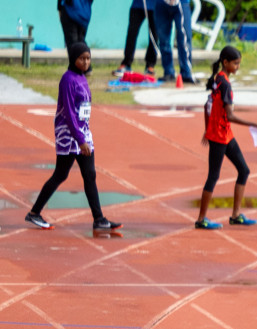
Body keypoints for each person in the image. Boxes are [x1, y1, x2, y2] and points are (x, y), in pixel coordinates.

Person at [25, 44, 120, 237]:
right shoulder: (68, 80)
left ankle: (99, 219)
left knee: (90, 174)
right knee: (61, 174)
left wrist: (84, 135)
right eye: (82, 58)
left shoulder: (82, 78)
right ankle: (34, 213)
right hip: (69, 134)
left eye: (88, 58)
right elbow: (68, 113)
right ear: (73, 59)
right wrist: (79, 139)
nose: (85, 62)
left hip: (83, 132)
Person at [195, 46, 257, 231]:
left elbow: (207, 105)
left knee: (244, 170)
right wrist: (256, 124)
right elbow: (231, 115)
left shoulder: (218, 79)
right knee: (213, 176)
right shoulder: (225, 84)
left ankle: (235, 215)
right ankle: (201, 219)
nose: (238, 67)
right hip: (219, 136)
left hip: (224, 135)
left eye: (239, 63)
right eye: (236, 63)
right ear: (225, 62)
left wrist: (206, 128)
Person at [150, 0, 195, 86]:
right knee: (163, 40)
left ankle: (186, 72)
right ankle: (168, 72)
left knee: (184, 38)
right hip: (161, 3)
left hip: (181, 2)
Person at [118, 0, 160, 77]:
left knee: (154, 35)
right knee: (132, 33)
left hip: (155, 5)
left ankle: (150, 65)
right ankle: (126, 63)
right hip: (138, 4)